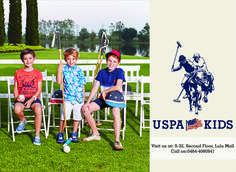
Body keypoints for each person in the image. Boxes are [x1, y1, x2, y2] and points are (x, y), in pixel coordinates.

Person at [81, 50, 126, 150]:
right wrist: (87, 102)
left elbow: (118, 86)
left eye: (115, 61)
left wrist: (105, 91)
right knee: (86, 109)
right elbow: (95, 87)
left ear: (118, 63)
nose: (111, 63)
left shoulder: (119, 71)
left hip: (116, 100)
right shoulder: (102, 72)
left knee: (115, 111)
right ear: (106, 61)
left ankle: (117, 140)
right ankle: (95, 133)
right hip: (103, 99)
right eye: (110, 60)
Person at [56, 48, 86, 144]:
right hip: (68, 97)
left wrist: (83, 96)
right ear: (65, 59)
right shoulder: (63, 69)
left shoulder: (79, 70)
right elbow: (58, 81)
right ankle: (60, 134)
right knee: (64, 117)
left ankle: (74, 133)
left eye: (73, 59)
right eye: (69, 59)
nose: (71, 61)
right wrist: (59, 69)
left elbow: (82, 83)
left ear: (76, 59)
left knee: (77, 116)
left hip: (78, 98)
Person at [13, 48, 43, 145]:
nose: (28, 61)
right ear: (22, 60)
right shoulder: (18, 72)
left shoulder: (38, 73)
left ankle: (37, 135)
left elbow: (39, 90)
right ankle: (23, 120)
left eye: (30, 58)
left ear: (34, 59)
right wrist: (17, 97)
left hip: (34, 98)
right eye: (25, 59)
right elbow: (15, 88)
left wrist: (31, 100)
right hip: (22, 97)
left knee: (38, 110)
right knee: (17, 109)